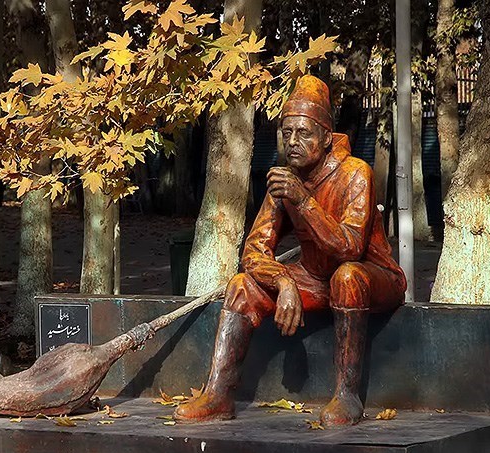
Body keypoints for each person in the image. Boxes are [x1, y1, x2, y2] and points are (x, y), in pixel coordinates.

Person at [173, 74, 407, 428]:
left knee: (347, 276)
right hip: (315, 278)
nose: (293, 142)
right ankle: (218, 394)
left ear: (326, 138)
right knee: (241, 286)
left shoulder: (355, 173)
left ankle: (347, 395)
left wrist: (303, 200)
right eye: (287, 133)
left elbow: (350, 247)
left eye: (304, 133)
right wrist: (283, 281)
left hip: (373, 276)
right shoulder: (284, 180)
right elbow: (254, 250)